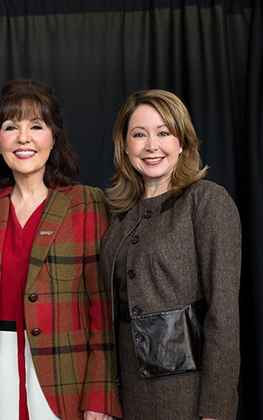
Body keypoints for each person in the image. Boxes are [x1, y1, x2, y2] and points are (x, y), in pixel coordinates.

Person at [0, 78, 122, 420]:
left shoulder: (86, 204)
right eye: (12, 127)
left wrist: (100, 396)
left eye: (36, 126)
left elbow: (103, 309)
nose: (24, 137)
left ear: (54, 139)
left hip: (67, 375)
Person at [101, 89, 241, 420]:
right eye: (139, 134)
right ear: (125, 145)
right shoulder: (118, 215)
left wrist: (216, 409)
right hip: (127, 392)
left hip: (186, 393)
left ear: (182, 141)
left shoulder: (207, 202)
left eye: (163, 132)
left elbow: (223, 314)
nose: (151, 145)